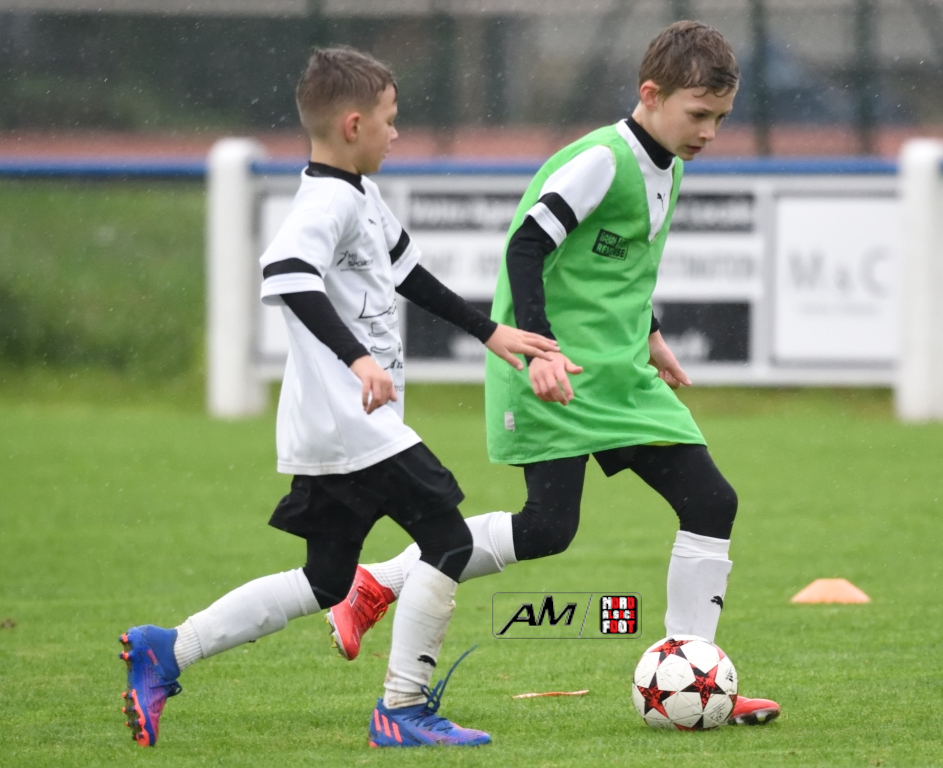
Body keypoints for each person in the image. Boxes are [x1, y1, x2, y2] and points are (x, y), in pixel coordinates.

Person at [326, 21, 781, 726]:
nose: (709, 132)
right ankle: (379, 582)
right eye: (698, 114)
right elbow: (528, 244)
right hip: (553, 368)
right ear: (650, 94)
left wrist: (651, 334)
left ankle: (694, 674)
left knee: (711, 503)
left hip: (618, 376)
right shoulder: (603, 160)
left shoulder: (671, 164)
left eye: (720, 118)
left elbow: (616, 269)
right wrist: (539, 352)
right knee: (547, 529)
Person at [117, 47, 559, 749]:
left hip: (335, 427)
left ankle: (167, 649)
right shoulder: (325, 199)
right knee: (447, 539)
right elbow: (288, 273)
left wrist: (489, 331)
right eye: (390, 119)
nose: (396, 132)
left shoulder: (359, 194)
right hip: (354, 424)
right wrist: (357, 358)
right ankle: (402, 710)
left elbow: (410, 275)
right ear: (354, 125)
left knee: (326, 580)